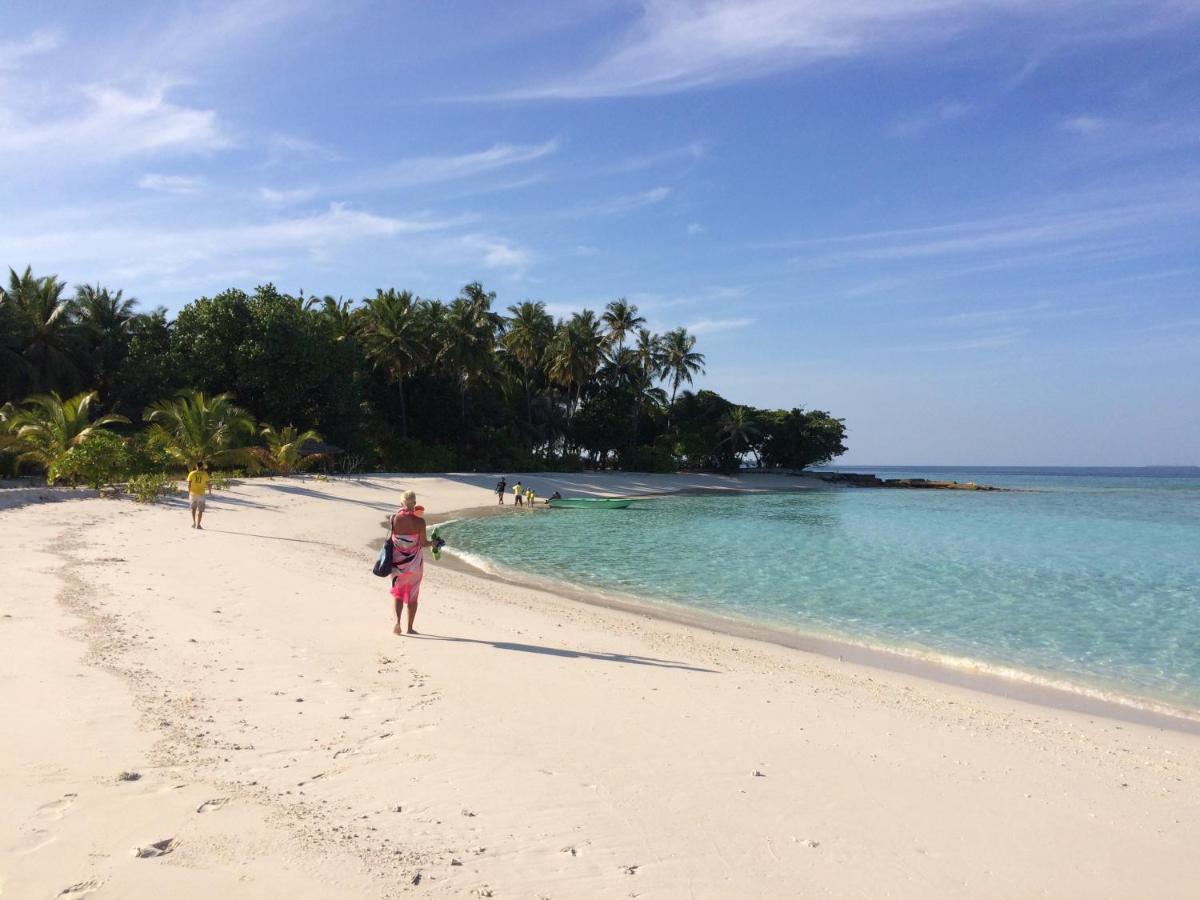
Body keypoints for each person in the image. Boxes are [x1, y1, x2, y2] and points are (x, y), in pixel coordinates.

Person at [388, 490, 434, 636]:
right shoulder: (420, 521)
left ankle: (397, 623)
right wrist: (435, 543)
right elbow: (424, 543)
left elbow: (392, 539)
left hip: (397, 563)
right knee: (413, 596)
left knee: (398, 594)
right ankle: (409, 628)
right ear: (414, 503)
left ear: (402, 503)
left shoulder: (394, 518)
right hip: (415, 564)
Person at [187, 461, 211, 529]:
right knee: (200, 510)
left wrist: (189, 492)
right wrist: (209, 491)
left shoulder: (191, 473)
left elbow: (189, 484)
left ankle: (194, 523)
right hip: (201, 494)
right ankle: (198, 525)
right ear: (202, 466)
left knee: (193, 508)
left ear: (196, 466)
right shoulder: (205, 474)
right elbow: (208, 484)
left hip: (193, 494)